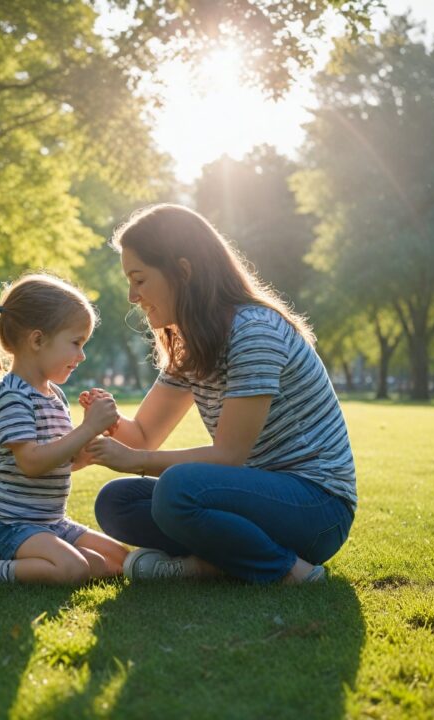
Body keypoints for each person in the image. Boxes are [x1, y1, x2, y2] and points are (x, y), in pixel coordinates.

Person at [87, 204, 357, 585]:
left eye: (140, 279)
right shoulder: (191, 342)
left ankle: (285, 571)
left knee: (177, 489)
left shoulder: (254, 332)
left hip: (317, 509)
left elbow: (229, 456)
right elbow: (144, 435)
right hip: (252, 499)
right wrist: (98, 429)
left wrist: (135, 461)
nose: (132, 295)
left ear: (183, 271)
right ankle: (221, 562)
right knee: (117, 502)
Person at [0, 273, 128, 584]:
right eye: (76, 343)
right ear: (38, 340)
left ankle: (54, 555)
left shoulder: (54, 395)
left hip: (50, 522)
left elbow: (63, 462)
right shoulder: (13, 395)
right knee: (75, 569)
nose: (82, 355)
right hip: (7, 524)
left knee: (118, 561)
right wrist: (86, 429)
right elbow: (32, 463)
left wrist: (96, 433)